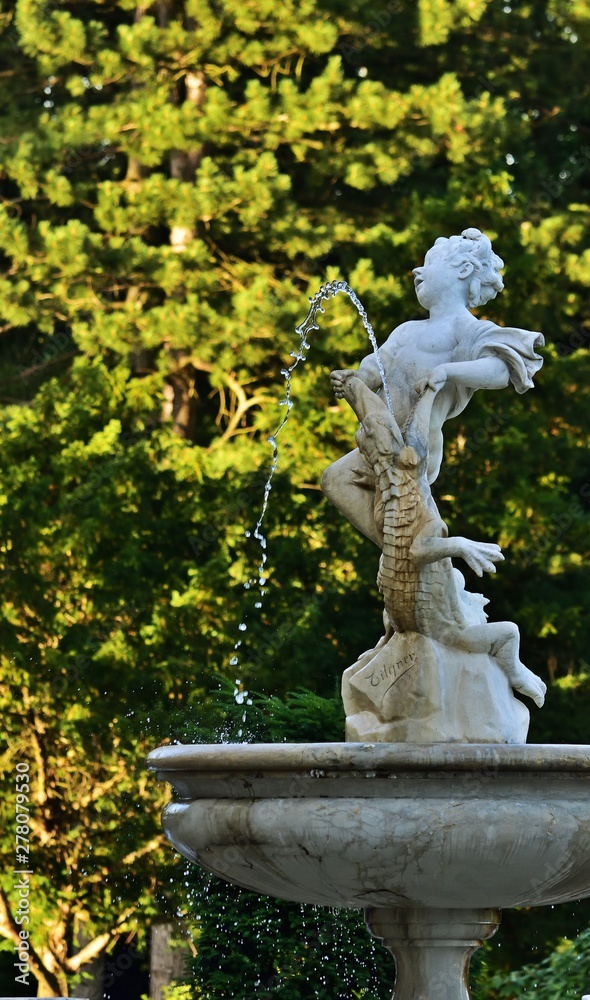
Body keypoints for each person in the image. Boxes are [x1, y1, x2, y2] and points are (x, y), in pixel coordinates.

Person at [322, 227, 544, 546]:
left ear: (464, 270)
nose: (417, 271)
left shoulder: (468, 330)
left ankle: (424, 550)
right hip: (380, 440)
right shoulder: (407, 330)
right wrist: (351, 379)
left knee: (414, 512)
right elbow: (374, 368)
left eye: (431, 262)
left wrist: (449, 371)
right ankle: (403, 551)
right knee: (335, 479)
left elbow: (501, 369)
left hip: (416, 446)